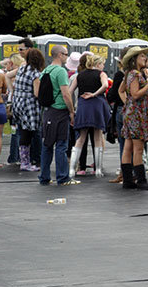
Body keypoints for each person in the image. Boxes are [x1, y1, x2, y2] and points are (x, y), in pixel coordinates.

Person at [38, 46, 77, 186]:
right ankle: (62, 177)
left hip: (48, 111)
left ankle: (44, 176)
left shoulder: (45, 71)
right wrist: (72, 111)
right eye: (66, 54)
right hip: (60, 111)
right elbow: (66, 94)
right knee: (61, 145)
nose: (67, 57)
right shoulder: (61, 71)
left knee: (47, 145)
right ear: (59, 55)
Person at [119, 46, 148, 190]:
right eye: (141, 56)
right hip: (137, 115)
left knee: (128, 147)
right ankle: (141, 180)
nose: (145, 58)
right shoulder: (135, 74)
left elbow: (121, 90)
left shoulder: (129, 73)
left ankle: (128, 180)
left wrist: (127, 105)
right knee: (138, 148)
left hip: (131, 113)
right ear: (134, 59)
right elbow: (135, 94)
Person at [69, 55, 110, 178]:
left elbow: (70, 91)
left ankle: (72, 169)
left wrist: (71, 108)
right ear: (96, 63)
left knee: (81, 137)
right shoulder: (101, 74)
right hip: (97, 105)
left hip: (83, 106)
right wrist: (94, 94)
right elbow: (105, 86)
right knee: (98, 136)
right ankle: (97, 169)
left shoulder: (79, 75)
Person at [12, 49, 44, 172]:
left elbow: (9, 77)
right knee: (28, 133)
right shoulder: (35, 73)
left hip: (18, 102)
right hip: (29, 105)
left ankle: (24, 160)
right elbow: (37, 93)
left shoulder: (22, 68)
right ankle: (26, 163)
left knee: (22, 132)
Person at [106, 49, 130, 183]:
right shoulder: (138, 74)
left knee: (123, 145)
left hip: (121, 108)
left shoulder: (119, 75)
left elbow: (114, 93)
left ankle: (124, 173)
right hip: (134, 110)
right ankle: (134, 172)